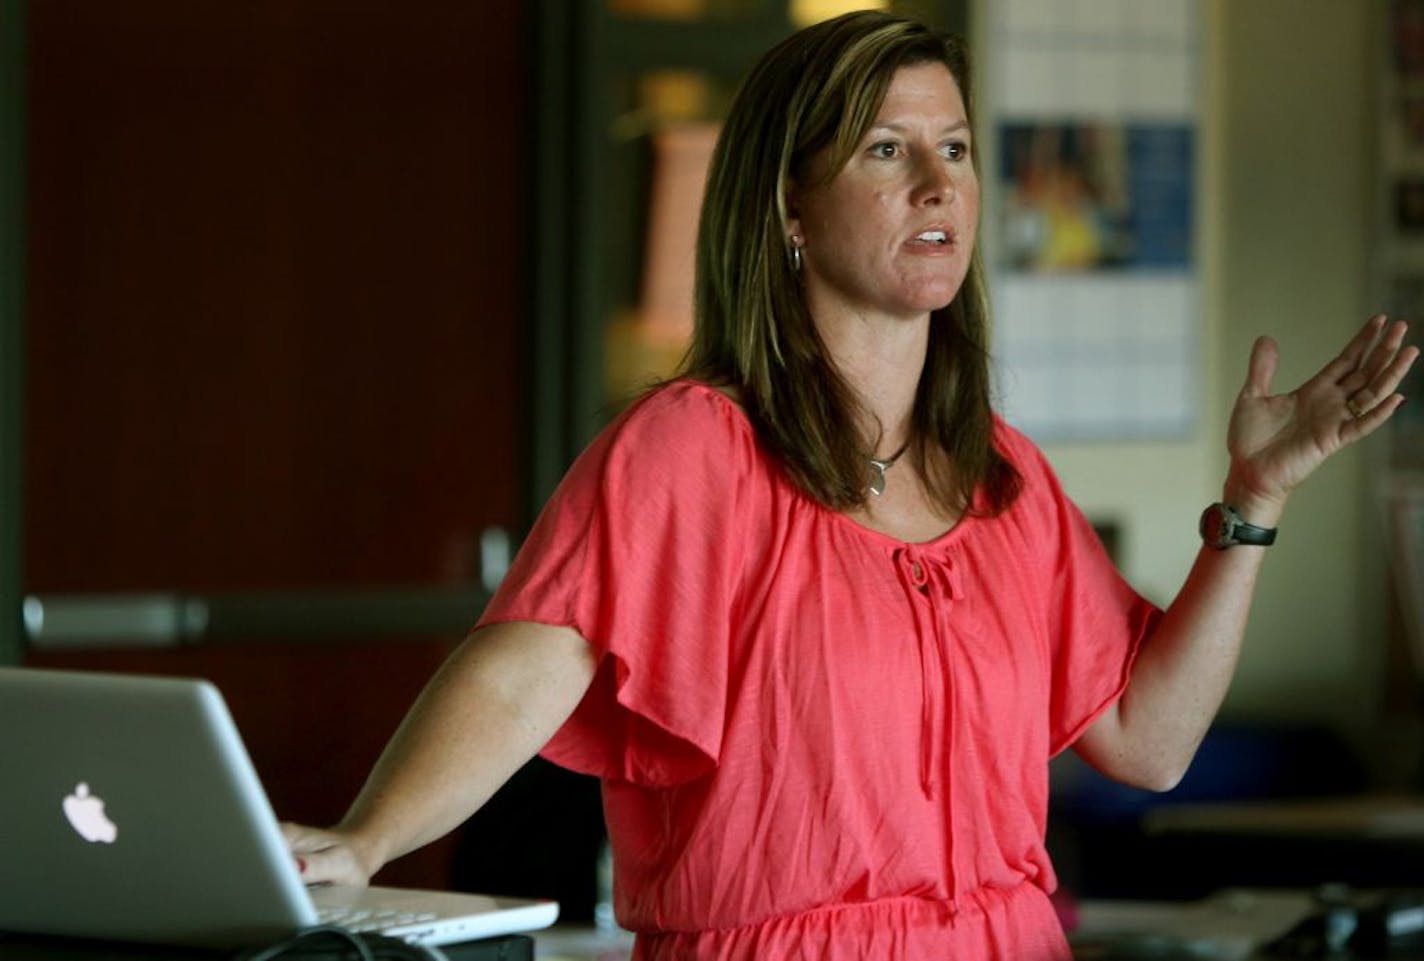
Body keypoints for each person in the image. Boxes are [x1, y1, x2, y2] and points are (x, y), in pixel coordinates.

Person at [283, 11, 1418, 960]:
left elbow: (1147, 740)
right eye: (885, 149)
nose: (936, 182)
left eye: (957, 148)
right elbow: (527, 661)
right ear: (787, 206)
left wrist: (1253, 502)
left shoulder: (1001, 471)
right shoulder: (694, 446)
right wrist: (368, 837)